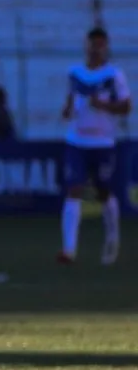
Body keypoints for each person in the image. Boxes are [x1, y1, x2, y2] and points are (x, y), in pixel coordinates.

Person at [58, 27, 131, 266]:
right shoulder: (75, 73)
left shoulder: (114, 75)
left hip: (103, 142)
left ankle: (112, 238)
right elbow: (69, 102)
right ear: (87, 45)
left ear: (106, 46)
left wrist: (103, 105)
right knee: (74, 189)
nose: (96, 48)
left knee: (103, 192)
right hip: (77, 140)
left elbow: (126, 107)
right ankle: (69, 249)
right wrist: (67, 111)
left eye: (100, 44)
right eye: (93, 43)